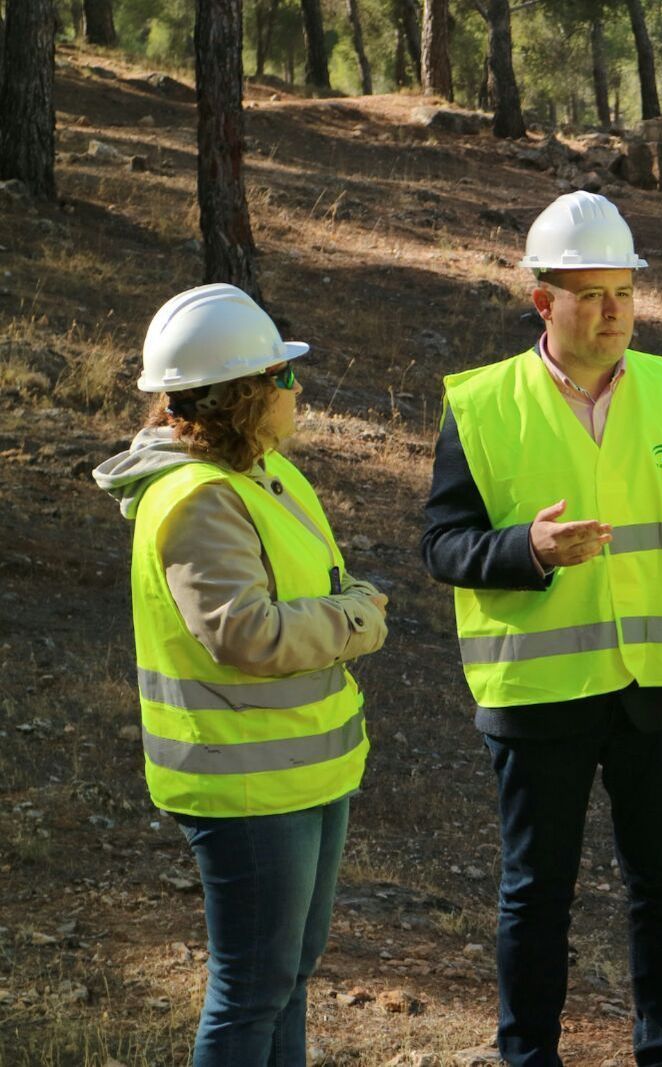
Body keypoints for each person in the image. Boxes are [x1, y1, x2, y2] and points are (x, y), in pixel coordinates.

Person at [421, 190, 662, 1067]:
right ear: (542, 301)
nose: (612, 311)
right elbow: (442, 544)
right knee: (536, 890)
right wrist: (527, 549)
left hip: (657, 685)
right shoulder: (482, 404)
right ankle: (528, 1054)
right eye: (590, 294)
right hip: (538, 690)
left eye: (624, 292)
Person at [94, 283, 389, 1066]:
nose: (297, 387)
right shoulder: (198, 499)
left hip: (304, 769)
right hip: (247, 784)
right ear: (242, 395)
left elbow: (311, 583)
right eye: (282, 375)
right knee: (252, 992)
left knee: (286, 979)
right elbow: (246, 632)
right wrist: (358, 619)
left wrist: (346, 603)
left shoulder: (263, 473)